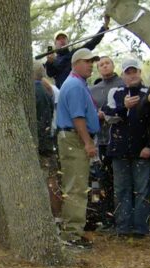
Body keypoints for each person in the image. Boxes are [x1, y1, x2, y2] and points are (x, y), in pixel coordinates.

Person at [56, 48, 100, 248]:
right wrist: (88, 142)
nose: (91, 64)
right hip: (75, 139)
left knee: (76, 185)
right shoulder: (74, 85)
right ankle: (71, 235)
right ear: (75, 63)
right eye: (87, 61)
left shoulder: (77, 83)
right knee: (76, 187)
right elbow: (77, 117)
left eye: (93, 61)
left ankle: (74, 230)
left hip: (74, 137)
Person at [102, 58, 150, 238]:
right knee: (121, 188)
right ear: (122, 75)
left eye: (135, 72)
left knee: (142, 190)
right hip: (119, 150)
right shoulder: (116, 92)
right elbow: (108, 115)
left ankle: (140, 228)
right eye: (128, 73)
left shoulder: (147, 93)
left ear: (140, 72)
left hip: (142, 151)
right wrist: (124, 107)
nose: (132, 75)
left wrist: (149, 146)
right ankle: (123, 227)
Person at [89, 56, 124, 229]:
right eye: (101, 64)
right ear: (98, 69)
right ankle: (106, 218)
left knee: (121, 181)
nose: (104, 66)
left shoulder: (122, 83)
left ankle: (124, 219)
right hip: (100, 141)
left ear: (113, 65)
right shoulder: (93, 89)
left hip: (120, 140)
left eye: (107, 63)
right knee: (102, 181)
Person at [33, 62, 62, 229]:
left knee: (49, 181)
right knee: (52, 179)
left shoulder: (35, 91)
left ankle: (53, 217)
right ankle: (56, 218)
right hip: (48, 140)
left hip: (39, 142)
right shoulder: (48, 90)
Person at [45, 15, 110, 88]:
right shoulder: (53, 60)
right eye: (59, 39)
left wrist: (104, 27)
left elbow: (91, 43)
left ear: (68, 41)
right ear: (55, 43)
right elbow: (50, 74)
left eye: (64, 38)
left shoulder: (75, 54)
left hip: (78, 87)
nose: (61, 40)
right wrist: (49, 63)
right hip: (63, 92)